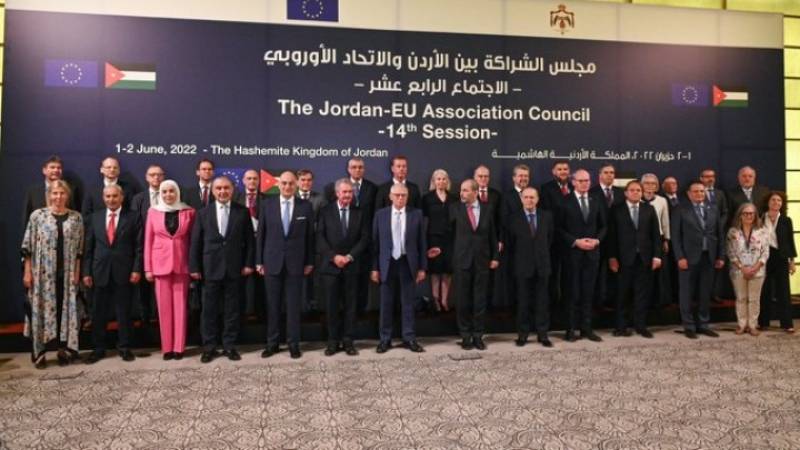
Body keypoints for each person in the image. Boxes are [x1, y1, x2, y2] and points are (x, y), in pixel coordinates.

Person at [190, 176, 255, 363]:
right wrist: (194, 267)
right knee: (208, 311)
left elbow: (250, 242)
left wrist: (248, 264)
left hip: (234, 269)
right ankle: (209, 347)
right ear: (213, 191)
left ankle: (229, 346)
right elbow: (196, 242)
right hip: (209, 269)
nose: (222, 191)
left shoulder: (242, 212)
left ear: (232, 190)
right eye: (218, 188)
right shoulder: (203, 213)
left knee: (232, 310)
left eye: (226, 188)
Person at [21, 180, 83, 369]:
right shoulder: (37, 216)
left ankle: (63, 350)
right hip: (42, 276)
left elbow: (79, 250)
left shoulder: (76, 218)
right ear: (49, 195)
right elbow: (27, 246)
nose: (58, 197)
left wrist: (77, 272)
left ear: (67, 195)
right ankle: (39, 352)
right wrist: (28, 272)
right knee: (40, 312)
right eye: (55, 193)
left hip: (66, 275)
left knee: (64, 311)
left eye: (62, 193)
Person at [256, 171, 314, 359]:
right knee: (272, 306)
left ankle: (293, 344)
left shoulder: (306, 206)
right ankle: (272, 343)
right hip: (271, 262)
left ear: (296, 185)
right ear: (278, 185)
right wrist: (258, 261)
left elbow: (310, 237)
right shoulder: (267, 204)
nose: (288, 186)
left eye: (291, 183)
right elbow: (261, 234)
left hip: (296, 264)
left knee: (293, 307)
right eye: (284, 183)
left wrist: (309, 261)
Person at [82, 184, 143, 363]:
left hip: (124, 272)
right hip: (99, 272)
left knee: (124, 313)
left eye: (115, 196)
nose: (111, 199)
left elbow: (139, 247)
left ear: (121, 197)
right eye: (108, 196)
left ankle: (124, 347)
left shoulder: (133, 217)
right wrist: (86, 272)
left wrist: (136, 269)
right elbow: (89, 247)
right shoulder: (95, 218)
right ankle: (98, 349)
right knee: (98, 314)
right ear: (103, 198)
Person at [371, 183, 427, 353]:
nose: (400, 198)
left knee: (408, 302)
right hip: (387, 264)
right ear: (390, 196)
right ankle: (385, 339)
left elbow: (422, 243)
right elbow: (375, 244)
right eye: (397, 195)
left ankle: (409, 337)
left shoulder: (416, 214)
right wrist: (374, 268)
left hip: (407, 263)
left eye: (404, 195)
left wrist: (422, 268)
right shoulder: (380, 215)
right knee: (386, 303)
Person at [316, 179, 370, 356]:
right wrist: (334, 257)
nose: (347, 195)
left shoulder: (360, 213)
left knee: (350, 306)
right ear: (337, 193)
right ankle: (332, 341)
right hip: (330, 267)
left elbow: (364, 238)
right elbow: (320, 237)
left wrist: (349, 256)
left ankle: (348, 341)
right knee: (331, 306)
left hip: (352, 266)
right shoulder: (325, 211)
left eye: (350, 192)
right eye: (344, 192)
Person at [144, 180, 196, 360]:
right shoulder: (153, 212)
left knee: (181, 307)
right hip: (160, 265)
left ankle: (179, 348)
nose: (168, 195)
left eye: (171, 191)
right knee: (163, 308)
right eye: (164, 191)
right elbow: (148, 240)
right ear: (160, 193)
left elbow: (193, 241)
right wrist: (148, 268)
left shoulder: (188, 212)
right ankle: (167, 348)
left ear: (177, 192)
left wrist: (193, 265)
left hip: (182, 264)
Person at [607, 181, 662, 338]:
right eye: (632, 190)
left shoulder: (649, 209)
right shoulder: (616, 210)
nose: (636, 192)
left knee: (642, 295)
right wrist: (612, 257)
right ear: (626, 193)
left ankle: (641, 326)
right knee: (622, 294)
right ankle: (621, 327)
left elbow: (655, 235)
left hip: (644, 259)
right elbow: (612, 236)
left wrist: (657, 256)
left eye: (638, 190)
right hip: (623, 259)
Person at [449, 179, 499, 350]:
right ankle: (465, 335)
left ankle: (478, 335)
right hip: (462, 261)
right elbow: (450, 235)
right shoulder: (455, 208)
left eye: (465, 190)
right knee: (462, 300)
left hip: (482, 261)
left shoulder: (487, 209)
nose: (461, 193)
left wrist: (495, 256)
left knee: (480, 300)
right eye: (461, 190)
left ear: (475, 192)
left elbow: (492, 234)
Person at [671, 181, 725, 339]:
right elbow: (675, 237)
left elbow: (719, 235)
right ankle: (688, 326)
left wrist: (720, 256)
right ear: (689, 194)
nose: (699, 194)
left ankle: (703, 324)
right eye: (695, 191)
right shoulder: (680, 209)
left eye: (702, 191)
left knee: (705, 293)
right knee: (686, 293)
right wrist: (680, 257)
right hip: (688, 258)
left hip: (709, 257)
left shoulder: (713, 209)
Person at [323, 157, 378, 313]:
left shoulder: (372, 189)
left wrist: (351, 255)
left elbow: (372, 219)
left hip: (359, 252)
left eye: (360, 167)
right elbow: (324, 231)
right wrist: (334, 256)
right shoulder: (332, 190)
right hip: (334, 257)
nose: (357, 170)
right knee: (333, 301)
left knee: (356, 297)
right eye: (354, 167)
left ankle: (355, 321)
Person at [557, 169, 606, 342]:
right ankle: (570, 329)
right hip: (572, 254)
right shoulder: (564, 201)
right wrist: (575, 241)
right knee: (572, 293)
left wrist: (597, 240)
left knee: (588, 293)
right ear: (573, 182)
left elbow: (604, 226)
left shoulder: (597, 200)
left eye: (587, 180)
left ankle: (586, 329)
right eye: (581, 181)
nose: (585, 183)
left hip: (592, 254)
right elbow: (558, 228)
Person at [505, 187, 554, 347]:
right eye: (526, 197)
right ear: (521, 199)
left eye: (532, 197)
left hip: (542, 265)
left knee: (542, 302)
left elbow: (550, 239)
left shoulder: (547, 216)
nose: (529, 200)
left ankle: (543, 334)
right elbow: (510, 244)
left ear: (537, 199)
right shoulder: (513, 218)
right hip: (522, 266)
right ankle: (523, 334)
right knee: (523, 302)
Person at [130, 164, 165, 343]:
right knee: (144, 289)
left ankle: (162, 322)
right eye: (152, 175)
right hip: (144, 248)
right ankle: (145, 322)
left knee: (163, 289)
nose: (156, 178)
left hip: (165, 251)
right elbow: (135, 225)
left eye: (159, 175)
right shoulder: (139, 199)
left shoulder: (170, 196)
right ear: (146, 177)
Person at [727, 203, 770, 336]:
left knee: (754, 299)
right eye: (745, 213)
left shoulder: (762, 231)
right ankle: (742, 325)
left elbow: (765, 252)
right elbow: (730, 252)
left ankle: (752, 325)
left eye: (751, 213)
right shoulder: (733, 232)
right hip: (738, 271)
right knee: (741, 298)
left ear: (755, 215)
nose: (749, 216)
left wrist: (755, 268)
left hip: (757, 271)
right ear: (740, 215)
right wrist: (743, 268)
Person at [759, 191, 797, 332]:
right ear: (768, 202)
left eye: (779, 200)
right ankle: (763, 322)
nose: (776, 202)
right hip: (764, 257)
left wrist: (792, 261)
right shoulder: (760, 218)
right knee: (765, 290)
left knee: (783, 291)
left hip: (781, 257)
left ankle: (787, 324)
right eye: (773, 200)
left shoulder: (786, 220)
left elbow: (790, 242)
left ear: (782, 203)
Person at [422, 169, 458, 311]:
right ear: (434, 181)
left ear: (447, 181)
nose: (441, 181)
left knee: (448, 270)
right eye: (438, 179)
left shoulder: (454, 198)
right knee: (436, 271)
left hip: (450, 238)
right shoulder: (427, 198)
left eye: (444, 179)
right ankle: (436, 299)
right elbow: (423, 219)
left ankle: (444, 300)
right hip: (434, 238)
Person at [589, 163, 624, 309]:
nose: (609, 175)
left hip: (617, 239)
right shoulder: (591, 192)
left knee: (615, 272)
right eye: (606, 172)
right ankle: (595, 303)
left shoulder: (621, 192)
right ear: (599, 175)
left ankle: (612, 302)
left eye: (612, 172)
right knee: (595, 273)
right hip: (597, 238)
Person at [233, 169, 266, 318]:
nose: (252, 181)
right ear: (243, 181)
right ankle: (243, 312)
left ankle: (260, 313)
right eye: (249, 178)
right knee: (241, 282)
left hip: (262, 244)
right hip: (241, 245)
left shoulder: (267, 200)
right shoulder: (235, 198)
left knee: (261, 282)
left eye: (255, 178)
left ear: (259, 181)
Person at [22, 155, 81, 231]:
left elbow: (74, 215)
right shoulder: (33, 192)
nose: (56, 170)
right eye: (52, 167)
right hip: (39, 235)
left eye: (59, 168)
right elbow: (27, 217)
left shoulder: (70, 190)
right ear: (44, 170)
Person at [641, 173, 673, 307]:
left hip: (658, 239)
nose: (650, 186)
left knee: (660, 271)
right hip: (642, 239)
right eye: (647, 183)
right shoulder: (636, 199)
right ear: (641, 185)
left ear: (657, 186)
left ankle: (660, 301)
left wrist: (666, 239)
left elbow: (665, 221)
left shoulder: (662, 200)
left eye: (653, 183)